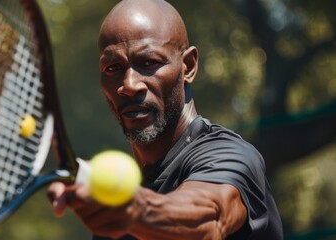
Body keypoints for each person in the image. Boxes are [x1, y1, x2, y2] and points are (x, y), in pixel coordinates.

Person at [48, 0, 283, 239]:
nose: (129, 85)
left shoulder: (231, 156)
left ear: (188, 66)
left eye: (149, 63)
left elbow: (210, 219)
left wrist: (136, 210)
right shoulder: (113, 213)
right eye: (113, 67)